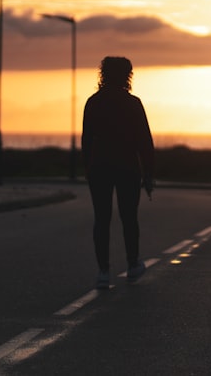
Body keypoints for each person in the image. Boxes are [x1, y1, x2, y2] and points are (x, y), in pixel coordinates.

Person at [82, 56, 155, 288]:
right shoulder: (133, 103)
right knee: (128, 217)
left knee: (101, 219)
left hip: (100, 166)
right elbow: (145, 141)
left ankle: (103, 271)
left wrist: (88, 167)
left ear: (103, 74)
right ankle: (133, 265)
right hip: (127, 167)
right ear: (127, 75)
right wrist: (149, 173)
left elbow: (86, 139)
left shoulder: (93, 102)